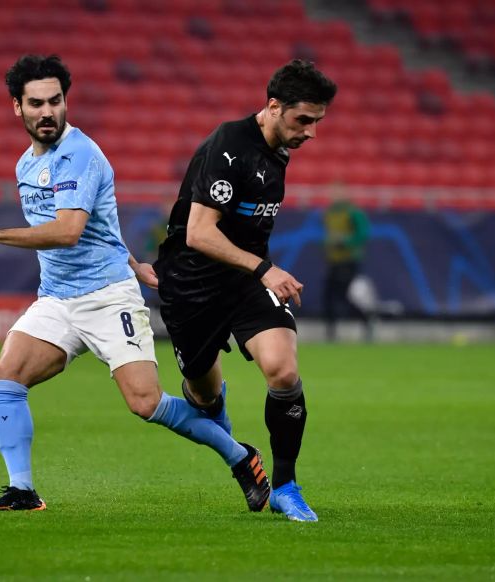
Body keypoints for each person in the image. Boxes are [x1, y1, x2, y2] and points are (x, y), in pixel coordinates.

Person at [0, 54, 269, 512]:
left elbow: (69, 230)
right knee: (5, 376)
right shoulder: (25, 164)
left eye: (55, 101)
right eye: (35, 103)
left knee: (145, 403)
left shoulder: (80, 154)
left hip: (105, 297)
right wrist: (135, 261)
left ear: (65, 102)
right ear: (16, 107)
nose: (47, 112)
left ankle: (241, 457)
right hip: (57, 298)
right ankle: (22, 490)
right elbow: (100, 226)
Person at [154, 59, 337, 522]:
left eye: (317, 121)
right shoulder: (229, 146)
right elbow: (198, 232)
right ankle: (231, 440)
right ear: (273, 107)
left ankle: (286, 486)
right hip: (192, 285)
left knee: (283, 372)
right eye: (304, 120)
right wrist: (264, 268)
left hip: (244, 281)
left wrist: (258, 272)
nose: (311, 132)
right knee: (203, 398)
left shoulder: (280, 146)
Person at [323, 197, 372, 342]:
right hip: (334, 261)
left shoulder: (353, 213)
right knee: (328, 297)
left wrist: (345, 242)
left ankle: (366, 321)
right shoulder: (330, 213)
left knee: (345, 296)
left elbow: (363, 234)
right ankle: (331, 332)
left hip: (348, 262)